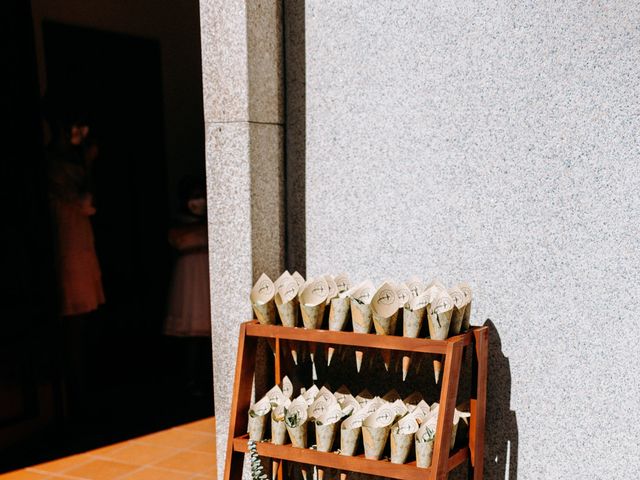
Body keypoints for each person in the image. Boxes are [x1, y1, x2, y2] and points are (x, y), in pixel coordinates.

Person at [164, 176, 211, 395]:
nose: (198, 202)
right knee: (191, 330)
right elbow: (176, 239)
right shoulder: (178, 223)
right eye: (194, 197)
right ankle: (190, 378)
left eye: (201, 196)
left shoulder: (212, 221)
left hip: (206, 275)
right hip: (189, 277)